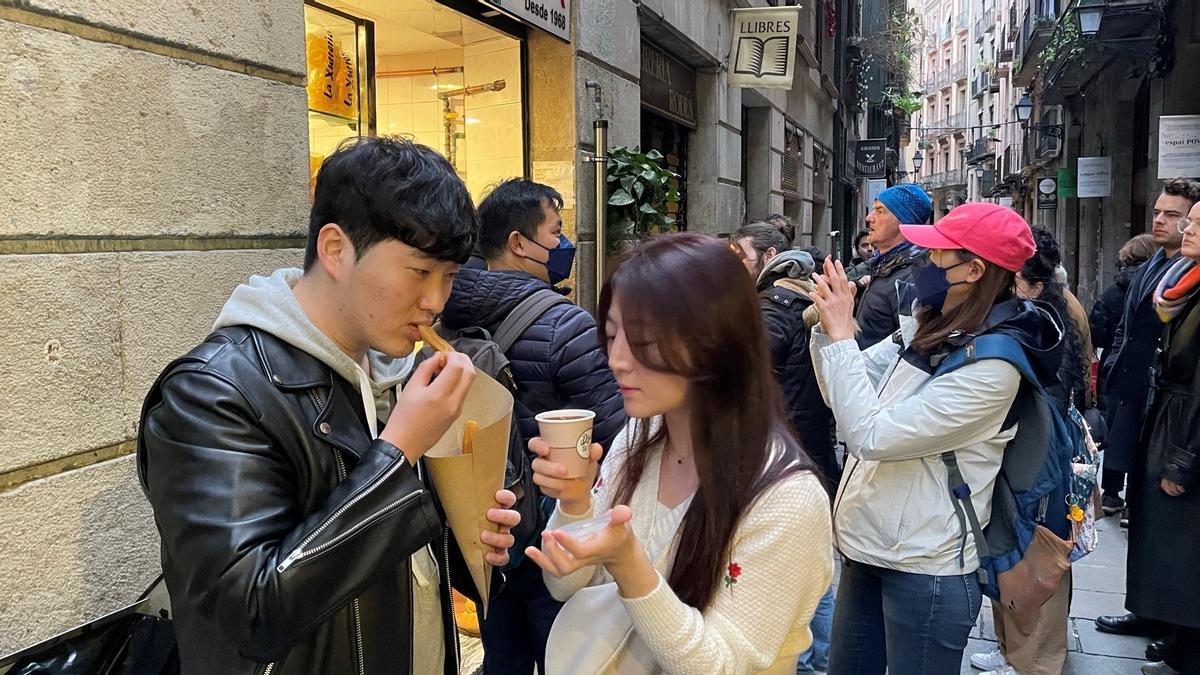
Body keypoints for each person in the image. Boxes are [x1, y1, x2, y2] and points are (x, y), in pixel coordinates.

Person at [136, 137, 522, 675]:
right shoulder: (213, 393)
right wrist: (399, 451)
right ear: (336, 249)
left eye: (450, 276)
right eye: (418, 272)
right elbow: (252, 614)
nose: (435, 302)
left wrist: (471, 534)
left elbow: (403, 564)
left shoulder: (399, 378)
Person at [528, 233, 833, 673]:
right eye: (611, 336)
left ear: (718, 344)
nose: (616, 359)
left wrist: (627, 560)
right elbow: (565, 586)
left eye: (644, 343)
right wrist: (575, 501)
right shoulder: (641, 435)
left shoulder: (788, 499)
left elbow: (721, 665)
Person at [809, 203, 1049, 674]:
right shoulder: (930, 324)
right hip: (867, 545)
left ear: (975, 270)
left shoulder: (995, 366)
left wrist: (842, 335)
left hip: (928, 566)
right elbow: (843, 391)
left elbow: (869, 434)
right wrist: (826, 329)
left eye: (937, 257)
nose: (925, 265)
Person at [440, 178, 626, 674]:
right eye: (556, 230)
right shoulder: (566, 324)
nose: (564, 244)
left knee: (503, 655)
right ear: (520, 243)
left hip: (481, 524)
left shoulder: (444, 319)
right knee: (564, 654)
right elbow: (614, 432)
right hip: (553, 534)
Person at [969, 226, 1090, 675]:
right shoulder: (1045, 311)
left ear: (1034, 284)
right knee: (1014, 552)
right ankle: (1014, 651)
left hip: (1042, 458)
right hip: (1035, 454)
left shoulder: (1044, 322)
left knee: (1038, 556)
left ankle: (1035, 662)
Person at [1095, 178, 1200, 640]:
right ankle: (1146, 608)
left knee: (1166, 518)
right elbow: (1127, 326)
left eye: (1175, 215)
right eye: (1158, 212)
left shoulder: (1186, 277)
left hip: (1172, 410)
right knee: (1141, 509)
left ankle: (1167, 620)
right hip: (1138, 401)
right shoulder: (1158, 268)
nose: (1161, 220)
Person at [731, 224, 838, 675]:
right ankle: (814, 658)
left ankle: (809, 661)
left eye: (740, 254)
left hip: (784, 447)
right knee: (816, 566)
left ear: (769, 256)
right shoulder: (800, 297)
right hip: (806, 442)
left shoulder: (773, 304)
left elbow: (749, 359)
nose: (734, 262)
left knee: (805, 571)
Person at [1129, 201, 1200, 675]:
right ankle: (1175, 639)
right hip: (1169, 416)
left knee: (1183, 546)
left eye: (1195, 223)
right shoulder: (1184, 280)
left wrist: (1183, 460)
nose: (1186, 228)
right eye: (1188, 220)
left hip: (1185, 428)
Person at [1089, 234, 1155, 513]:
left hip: (1117, 366)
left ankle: (1112, 493)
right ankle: (1133, 502)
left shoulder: (1115, 290)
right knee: (1142, 432)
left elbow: (1098, 328)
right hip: (1150, 368)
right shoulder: (1159, 285)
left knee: (1117, 426)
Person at [854, 184, 933, 348]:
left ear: (903, 220)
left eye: (880, 211)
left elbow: (913, 347)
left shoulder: (912, 278)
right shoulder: (886, 265)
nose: (869, 217)